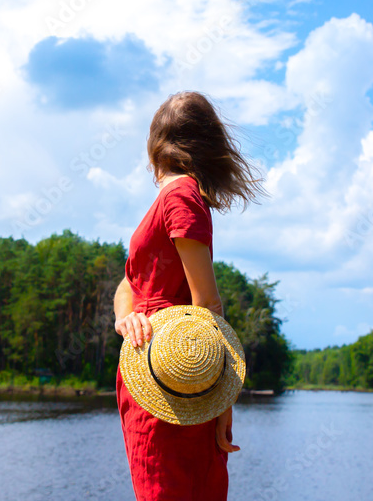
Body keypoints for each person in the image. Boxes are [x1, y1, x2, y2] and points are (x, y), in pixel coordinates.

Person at [114, 90, 268, 501]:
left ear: (155, 146)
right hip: (155, 367)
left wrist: (220, 400)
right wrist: (124, 317)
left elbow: (206, 307)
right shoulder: (172, 199)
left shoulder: (179, 196)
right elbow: (128, 284)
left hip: (178, 371)